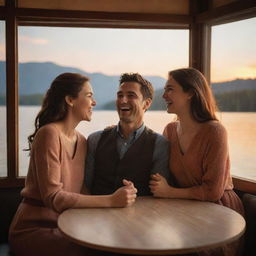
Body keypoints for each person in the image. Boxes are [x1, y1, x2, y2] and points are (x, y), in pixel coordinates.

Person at [9, 73, 137, 256]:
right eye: (89, 96)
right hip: (35, 230)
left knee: (116, 237)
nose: (94, 102)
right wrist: (110, 200)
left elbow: (81, 190)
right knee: (98, 248)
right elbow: (53, 197)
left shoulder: (82, 141)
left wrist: (113, 212)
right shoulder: (49, 134)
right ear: (70, 99)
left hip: (68, 225)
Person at [149, 68, 244, 256]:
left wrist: (169, 192)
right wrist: (122, 131)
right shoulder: (169, 130)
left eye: (170, 89)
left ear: (191, 93)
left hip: (218, 211)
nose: (164, 95)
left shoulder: (215, 131)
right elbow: (155, 160)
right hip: (184, 208)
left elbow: (212, 191)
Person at [85, 73, 172, 196]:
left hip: (140, 213)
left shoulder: (160, 144)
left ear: (146, 103)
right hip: (97, 213)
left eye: (131, 95)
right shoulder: (95, 139)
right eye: (120, 95)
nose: (123, 100)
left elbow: (158, 194)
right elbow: (85, 187)